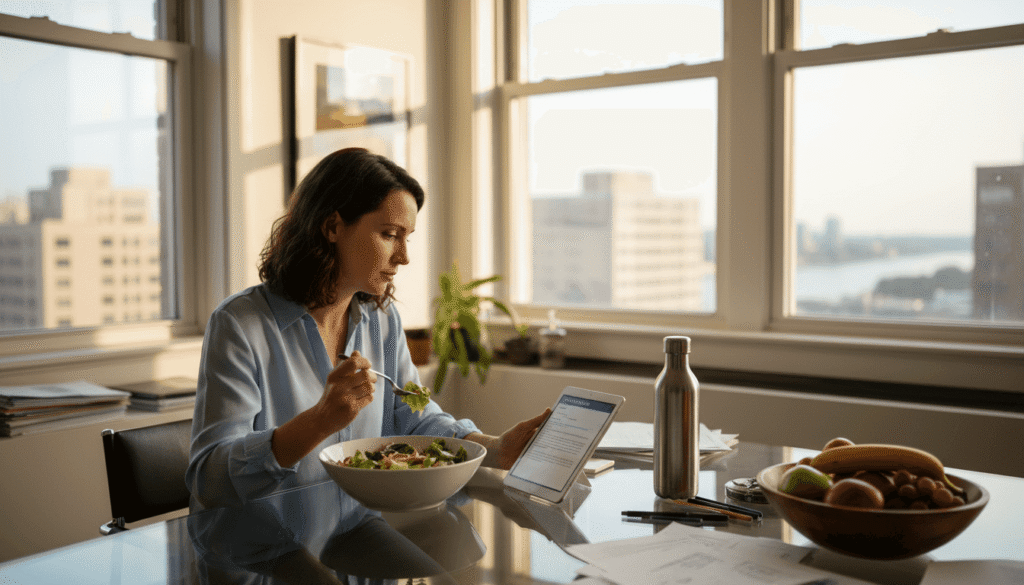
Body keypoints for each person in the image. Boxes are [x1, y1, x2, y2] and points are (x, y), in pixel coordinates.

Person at [186, 147, 549, 509]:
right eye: (390, 234)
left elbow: (413, 418)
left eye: (407, 237)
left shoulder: (382, 319)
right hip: (262, 548)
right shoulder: (239, 325)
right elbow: (209, 479)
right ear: (332, 227)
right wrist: (319, 420)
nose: (404, 256)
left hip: (354, 535)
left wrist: (497, 448)